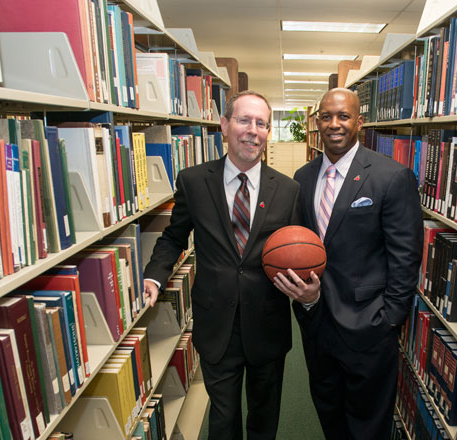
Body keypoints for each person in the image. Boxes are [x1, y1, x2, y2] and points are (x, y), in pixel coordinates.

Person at [142, 90, 300, 440]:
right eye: (244, 120)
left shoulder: (288, 190)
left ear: (268, 132)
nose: (253, 130)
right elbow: (173, 237)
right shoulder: (194, 181)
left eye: (262, 123)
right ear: (225, 126)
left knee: (264, 416)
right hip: (217, 324)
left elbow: (296, 250)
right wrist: (155, 274)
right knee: (223, 418)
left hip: (267, 324)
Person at [274, 88, 423, 439]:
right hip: (316, 322)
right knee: (329, 411)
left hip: (369, 328)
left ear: (360, 121)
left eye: (343, 116)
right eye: (326, 116)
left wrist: (388, 319)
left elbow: (406, 256)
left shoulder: (392, 176)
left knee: (368, 423)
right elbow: (302, 246)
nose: (334, 124)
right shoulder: (303, 177)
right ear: (317, 122)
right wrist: (305, 303)